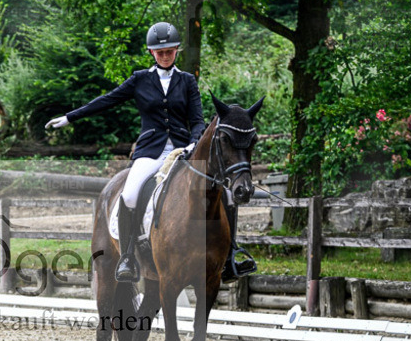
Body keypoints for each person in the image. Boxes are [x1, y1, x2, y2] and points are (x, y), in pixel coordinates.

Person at [46, 22, 255, 283]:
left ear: (176, 50)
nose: (165, 56)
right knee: (130, 194)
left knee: (226, 194)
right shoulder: (140, 79)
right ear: (151, 52)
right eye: (160, 52)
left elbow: (197, 120)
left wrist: (193, 143)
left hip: (182, 150)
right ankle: (127, 257)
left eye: (169, 51)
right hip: (150, 152)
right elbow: (107, 100)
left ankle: (230, 256)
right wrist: (70, 117)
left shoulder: (187, 81)